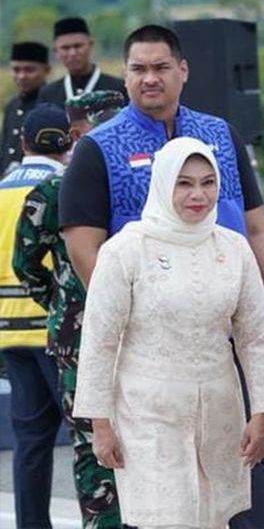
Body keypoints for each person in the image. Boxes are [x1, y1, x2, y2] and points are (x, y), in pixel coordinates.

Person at [59, 24, 264, 527]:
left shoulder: (220, 135)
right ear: (125, 75)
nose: (150, 79)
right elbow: (84, 251)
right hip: (148, 354)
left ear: (183, 71)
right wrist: (157, 316)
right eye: (138, 69)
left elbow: (255, 225)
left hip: (224, 338)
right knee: (167, 505)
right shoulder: (101, 148)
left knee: (246, 494)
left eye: (161, 67)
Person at [13, 91, 126, 528]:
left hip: (82, 330)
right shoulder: (59, 188)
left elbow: (25, 264)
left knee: (92, 442)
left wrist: (60, 301)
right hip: (84, 336)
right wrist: (62, 301)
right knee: (95, 438)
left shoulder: (57, 188)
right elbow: (24, 263)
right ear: (77, 133)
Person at [0, 105, 71, 527]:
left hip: (9, 331)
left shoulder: (1, 188)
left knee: (30, 443)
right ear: (68, 142)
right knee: (88, 438)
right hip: (56, 329)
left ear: (23, 142)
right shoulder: (63, 187)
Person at [38, 17, 127, 106]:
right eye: (65, 48)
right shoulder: (48, 94)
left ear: (91, 45)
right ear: (56, 52)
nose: (72, 53)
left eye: (78, 46)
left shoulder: (118, 88)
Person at [2, 41, 52, 174]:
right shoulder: (11, 106)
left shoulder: (53, 105)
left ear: (46, 70)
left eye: (29, 70)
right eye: (16, 70)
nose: (22, 76)